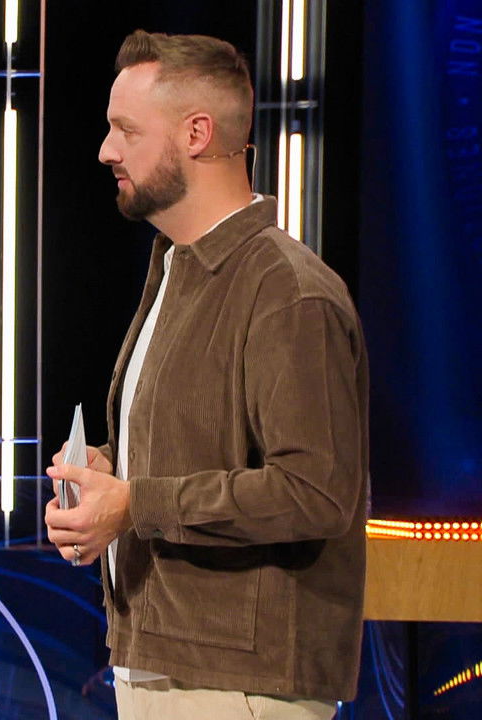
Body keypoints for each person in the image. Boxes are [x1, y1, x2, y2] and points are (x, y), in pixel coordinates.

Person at [43, 30, 369, 720]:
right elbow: (197, 453)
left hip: (241, 684)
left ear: (196, 134)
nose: (106, 150)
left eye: (126, 130)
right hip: (159, 664)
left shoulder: (287, 290)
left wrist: (135, 503)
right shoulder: (175, 268)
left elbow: (313, 492)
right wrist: (111, 473)